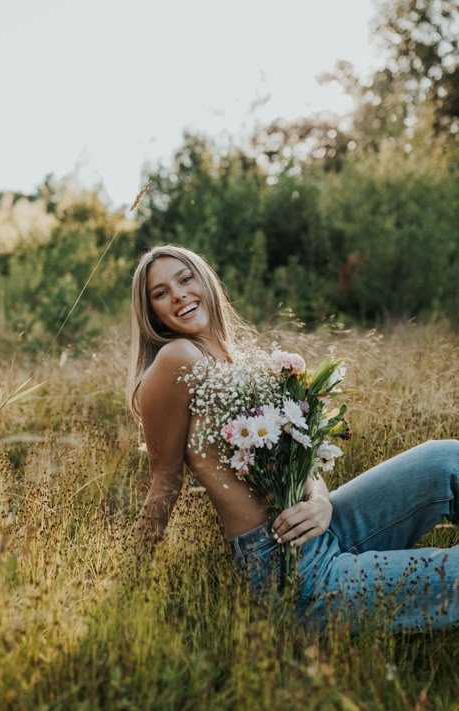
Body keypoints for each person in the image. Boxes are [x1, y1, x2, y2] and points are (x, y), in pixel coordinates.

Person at [128, 244, 459, 632]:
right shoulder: (177, 358)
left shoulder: (243, 362)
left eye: (185, 279)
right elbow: (164, 481)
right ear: (152, 313)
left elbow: (301, 451)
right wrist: (130, 587)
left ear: (205, 282)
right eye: (161, 293)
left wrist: (320, 502)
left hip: (320, 527)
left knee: (446, 459)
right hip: (288, 572)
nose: (179, 294)